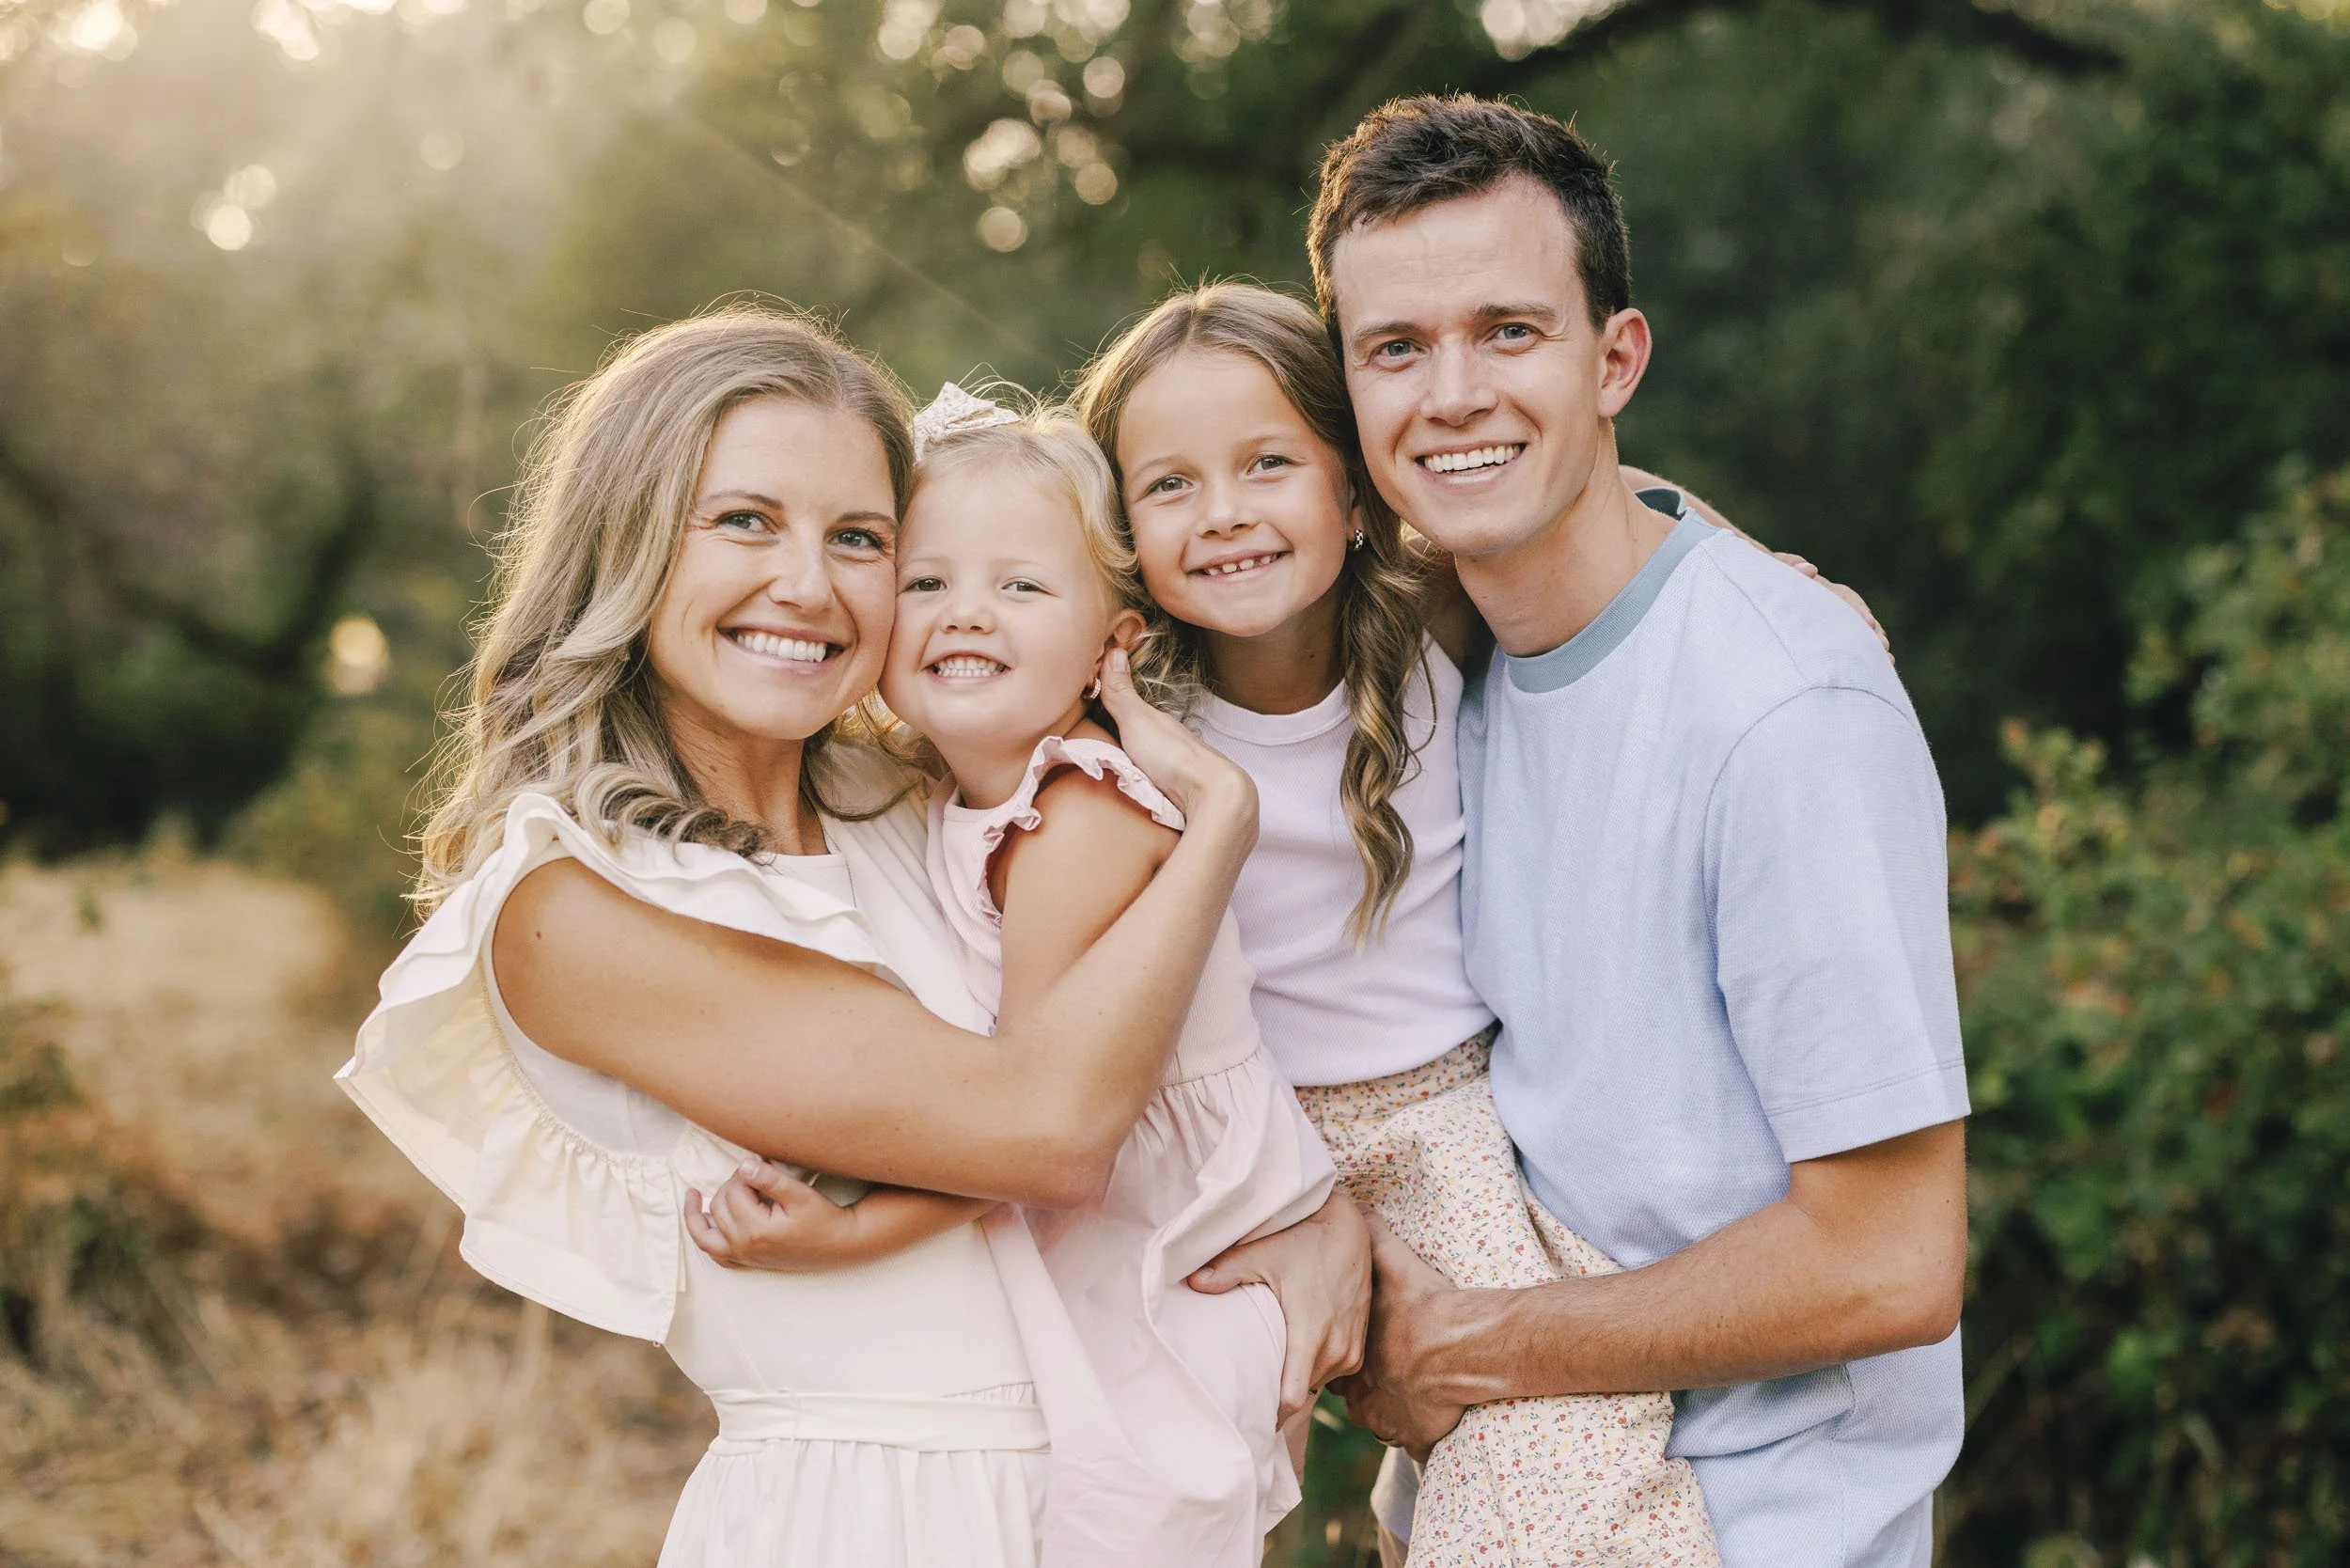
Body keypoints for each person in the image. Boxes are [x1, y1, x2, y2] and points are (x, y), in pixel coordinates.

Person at [333, 304, 1362, 1568]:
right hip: (872, 1519)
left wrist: (1319, 1223)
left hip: (1104, 1502)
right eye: (745, 521)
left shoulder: (927, 804)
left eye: (861, 539)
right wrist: (1220, 824)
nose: (808, 587)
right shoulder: (574, 908)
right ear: (632, 542)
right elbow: (1044, 1127)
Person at [1308, 97, 1971, 1567]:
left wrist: (1474, 1347)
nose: (1454, 393)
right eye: (1396, 349)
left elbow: (1892, 1261)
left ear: (1618, 359)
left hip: (1752, 1532)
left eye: (1510, 331)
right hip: (1508, 1512)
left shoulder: (1786, 713)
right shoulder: (1430, 672)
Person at [1072, 284, 1722, 1566]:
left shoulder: (1432, 620)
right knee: (1143, 1484)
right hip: (1228, 1145)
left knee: (1557, 1444)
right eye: (1171, 486)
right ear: (1120, 526)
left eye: (1269, 464)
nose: (1226, 516)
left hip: (1439, 1125)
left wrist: (1755, 567)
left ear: (1356, 483)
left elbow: (1589, 496)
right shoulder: (1118, 716)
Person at [684, 387, 1336, 1566]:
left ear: (1112, 643)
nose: (964, 614)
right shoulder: (950, 794)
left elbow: (1025, 1128)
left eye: (1021, 587)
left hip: (1166, 1252)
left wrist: (850, 1237)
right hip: (1091, 1228)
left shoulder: (1074, 814)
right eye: (926, 584)